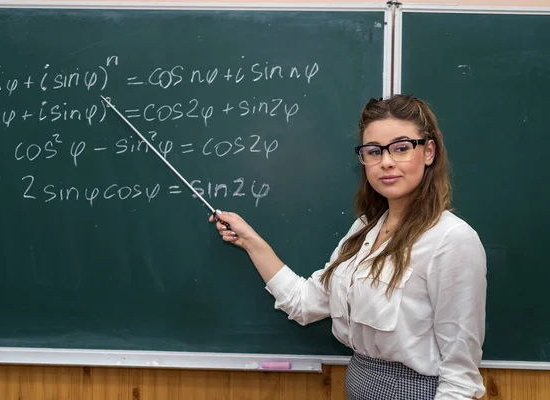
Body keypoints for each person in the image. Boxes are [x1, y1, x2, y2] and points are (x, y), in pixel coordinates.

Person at [208, 94, 487, 400]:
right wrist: (249, 240)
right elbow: (304, 304)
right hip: (357, 386)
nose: (387, 162)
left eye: (402, 148)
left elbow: (460, 378)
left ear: (429, 151)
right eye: (373, 151)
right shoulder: (365, 229)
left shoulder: (452, 240)